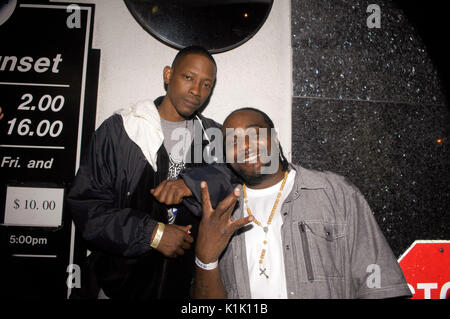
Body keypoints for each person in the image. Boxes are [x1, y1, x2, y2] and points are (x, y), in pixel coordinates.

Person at [181, 107, 412, 299]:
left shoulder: (334, 192)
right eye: (233, 141)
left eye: (255, 134)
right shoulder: (221, 211)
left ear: (275, 137)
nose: (246, 146)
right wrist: (206, 260)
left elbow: (381, 287)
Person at [67, 46, 220, 299]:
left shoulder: (212, 135)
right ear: (168, 74)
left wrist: (190, 184)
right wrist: (152, 234)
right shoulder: (123, 128)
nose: (196, 91)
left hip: (182, 289)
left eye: (206, 84)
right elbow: (87, 207)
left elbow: (231, 181)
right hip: (117, 286)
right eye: (188, 77)